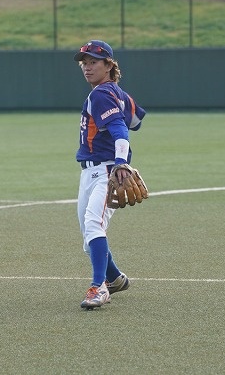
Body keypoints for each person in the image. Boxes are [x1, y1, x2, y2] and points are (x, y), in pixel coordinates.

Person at [74, 39, 146, 309]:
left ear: (108, 65)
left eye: (93, 62)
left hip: (106, 171)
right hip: (91, 173)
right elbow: (136, 119)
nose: (87, 67)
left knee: (93, 225)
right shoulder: (117, 93)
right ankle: (114, 278)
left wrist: (120, 162)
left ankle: (99, 287)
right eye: (84, 62)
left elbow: (121, 129)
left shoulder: (101, 94)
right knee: (89, 237)